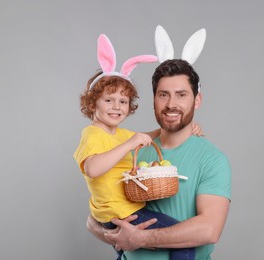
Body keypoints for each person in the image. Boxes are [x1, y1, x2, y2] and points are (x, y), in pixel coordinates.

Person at [86, 58, 232, 260]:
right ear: (154, 99)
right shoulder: (132, 151)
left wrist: (140, 238)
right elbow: (94, 217)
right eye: (163, 95)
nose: (171, 104)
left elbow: (209, 229)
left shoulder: (212, 160)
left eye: (181, 95)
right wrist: (112, 236)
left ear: (197, 100)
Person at [74, 34, 201, 260]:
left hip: (124, 211)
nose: (117, 107)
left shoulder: (120, 133)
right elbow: (92, 169)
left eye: (123, 102)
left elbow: (150, 136)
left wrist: (186, 129)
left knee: (133, 254)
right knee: (184, 244)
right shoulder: (93, 134)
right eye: (108, 100)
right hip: (121, 213)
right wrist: (130, 144)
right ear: (93, 103)